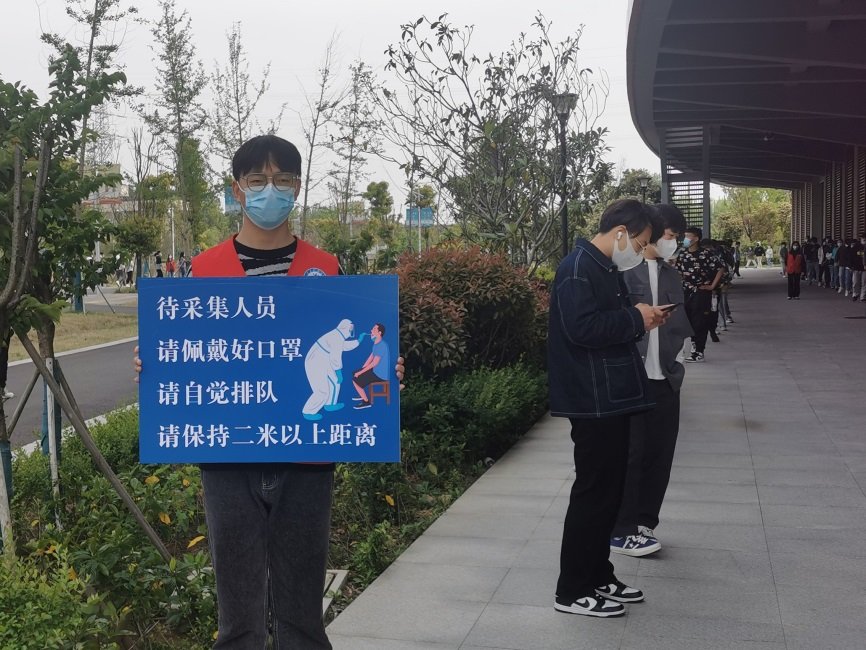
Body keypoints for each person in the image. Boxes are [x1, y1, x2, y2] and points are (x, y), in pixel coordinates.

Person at [134, 135, 405, 648]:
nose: (269, 190)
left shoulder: (327, 268)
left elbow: (351, 354)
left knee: (303, 621)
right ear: (238, 189)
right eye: (257, 180)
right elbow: (188, 351)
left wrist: (387, 369)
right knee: (238, 624)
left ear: (297, 187)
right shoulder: (202, 269)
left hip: (308, 460)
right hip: (228, 458)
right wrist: (153, 364)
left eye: (282, 180)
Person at [548, 198, 668, 619]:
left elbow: (608, 322)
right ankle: (572, 589)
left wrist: (641, 318)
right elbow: (581, 328)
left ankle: (599, 575)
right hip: (592, 398)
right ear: (620, 233)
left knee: (609, 493)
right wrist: (635, 318)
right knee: (593, 493)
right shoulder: (577, 269)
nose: (638, 251)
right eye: (638, 242)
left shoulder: (602, 267)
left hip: (610, 396)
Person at [610, 203, 691, 557]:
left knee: (660, 455)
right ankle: (622, 528)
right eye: (671, 236)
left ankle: (645, 522)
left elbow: (680, 324)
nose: (674, 243)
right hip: (633, 378)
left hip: (666, 379)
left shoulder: (673, 274)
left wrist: (678, 364)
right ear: (653, 235)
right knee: (631, 455)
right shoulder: (625, 272)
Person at [675, 227, 723, 363]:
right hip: (686, 292)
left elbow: (720, 268)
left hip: (701, 292)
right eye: (685, 236)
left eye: (688, 236)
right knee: (689, 321)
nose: (685, 239)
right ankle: (694, 346)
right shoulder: (682, 254)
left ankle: (699, 352)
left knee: (700, 322)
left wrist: (712, 286)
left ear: (696, 239)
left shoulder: (706, 254)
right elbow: (678, 271)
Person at [352, 323, 390, 409]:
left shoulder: (382, 345)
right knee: (355, 373)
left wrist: (361, 372)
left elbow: (375, 362)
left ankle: (366, 402)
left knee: (355, 380)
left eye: (374, 329)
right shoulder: (377, 344)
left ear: (379, 333)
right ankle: (361, 394)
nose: (371, 331)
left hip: (380, 374)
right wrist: (362, 369)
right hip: (376, 370)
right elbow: (371, 357)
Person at [850, 235, 864, 301]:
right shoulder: (856, 247)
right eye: (863, 239)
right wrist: (851, 266)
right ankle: (855, 294)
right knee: (855, 282)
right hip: (856, 268)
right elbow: (851, 257)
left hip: (864, 268)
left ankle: (863, 296)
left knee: (864, 283)